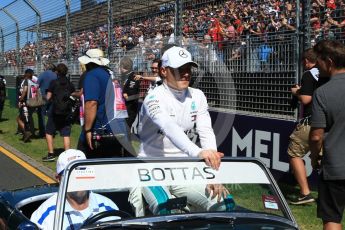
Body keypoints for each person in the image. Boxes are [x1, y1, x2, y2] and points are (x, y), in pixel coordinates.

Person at [135, 46, 228, 215]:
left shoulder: (198, 95)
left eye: (188, 69)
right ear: (163, 71)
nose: (186, 74)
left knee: (224, 203)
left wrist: (213, 173)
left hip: (184, 168)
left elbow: (206, 131)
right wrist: (198, 152)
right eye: (179, 69)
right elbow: (168, 126)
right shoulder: (153, 98)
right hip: (150, 167)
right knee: (165, 209)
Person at [30, 149, 119, 230]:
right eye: (71, 173)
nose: (79, 178)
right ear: (59, 179)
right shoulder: (44, 216)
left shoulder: (109, 207)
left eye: (83, 170)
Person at [309, 40, 345, 230]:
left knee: (332, 218)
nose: (316, 65)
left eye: (319, 61)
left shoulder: (322, 93)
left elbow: (316, 136)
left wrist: (315, 159)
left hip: (336, 168)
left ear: (329, 62)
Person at [78, 48, 133, 158]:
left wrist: (88, 129)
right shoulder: (108, 73)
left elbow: (91, 103)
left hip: (101, 128)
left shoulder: (92, 75)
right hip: (117, 126)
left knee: (86, 163)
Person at [288, 48, 320, 205]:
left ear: (307, 61)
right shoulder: (327, 74)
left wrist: (296, 92)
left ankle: (305, 193)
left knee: (294, 154)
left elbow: (306, 99)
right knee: (322, 158)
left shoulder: (309, 74)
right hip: (328, 121)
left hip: (311, 121)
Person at [42, 63, 75, 162]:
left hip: (55, 111)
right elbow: (73, 95)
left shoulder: (54, 82)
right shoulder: (70, 83)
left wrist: (43, 98)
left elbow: (48, 97)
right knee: (66, 134)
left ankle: (51, 154)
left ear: (57, 72)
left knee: (49, 132)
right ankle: (68, 155)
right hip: (66, 111)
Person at [37, 63, 57, 138]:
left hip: (43, 96)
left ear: (47, 67)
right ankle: (51, 131)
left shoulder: (43, 74)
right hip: (53, 97)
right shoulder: (55, 75)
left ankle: (43, 132)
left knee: (41, 115)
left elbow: (37, 85)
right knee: (51, 115)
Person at [121, 57, 140, 129]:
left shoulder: (133, 77)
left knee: (126, 126)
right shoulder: (124, 76)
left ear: (122, 66)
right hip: (125, 106)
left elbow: (130, 93)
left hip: (130, 107)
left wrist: (123, 93)